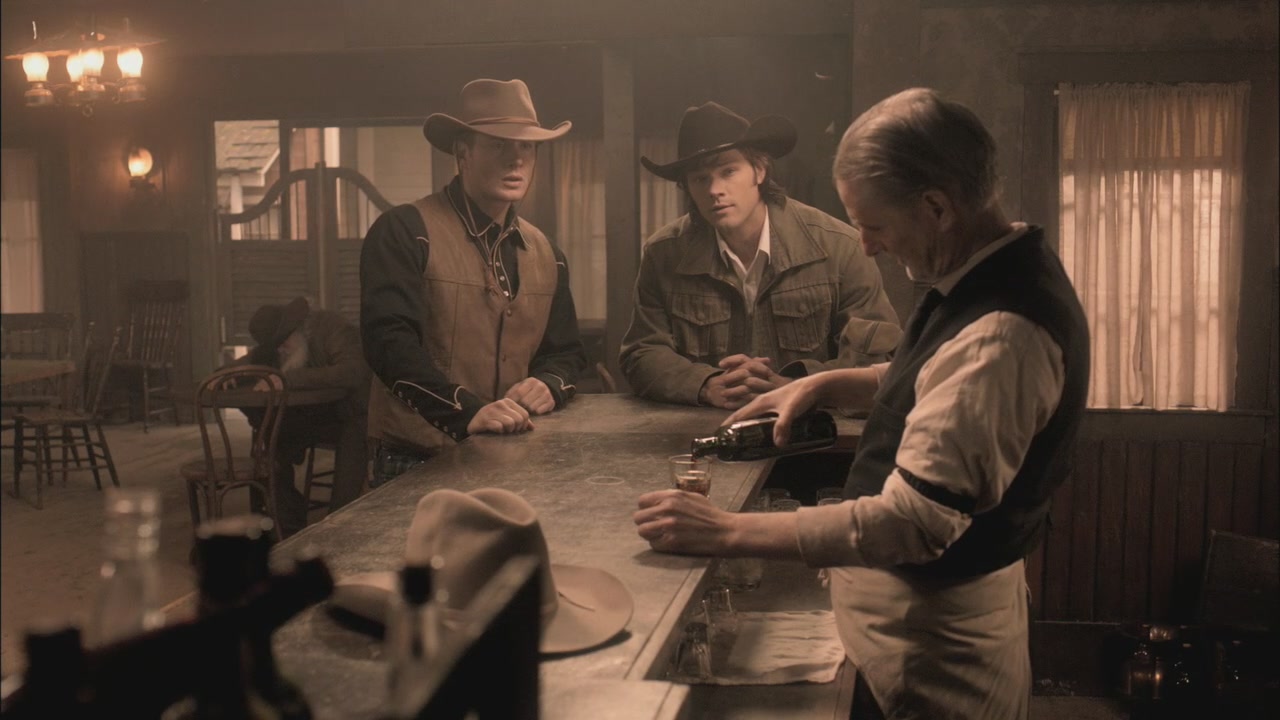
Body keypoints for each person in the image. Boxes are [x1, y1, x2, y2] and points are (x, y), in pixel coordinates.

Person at [633, 88, 1090, 719]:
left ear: (936, 207)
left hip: (933, 656)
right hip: (907, 633)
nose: (868, 246)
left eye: (874, 226)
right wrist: (825, 383)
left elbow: (913, 522)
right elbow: (941, 377)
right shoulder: (989, 272)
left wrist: (728, 531)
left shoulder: (1000, 335)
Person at [360, 78, 587, 487]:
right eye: (499, 145)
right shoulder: (405, 230)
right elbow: (388, 343)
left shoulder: (548, 253)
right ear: (463, 153)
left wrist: (549, 384)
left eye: (526, 147)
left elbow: (566, 352)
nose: (516, 160)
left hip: (515, 457)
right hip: (416, 460)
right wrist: (465, 411)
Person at [619, 101, 901, 409]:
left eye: (728, 171)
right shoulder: (663, 253)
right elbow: (643, 352)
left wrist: (796, 387)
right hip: (702, 429)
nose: (714, 189)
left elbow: (878, 357)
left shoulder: (840, 246)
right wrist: (705, 385)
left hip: (809, 429)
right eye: (700, 178)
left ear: (760, 171)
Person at [239, 296, 371, 537]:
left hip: (357, 414)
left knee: (353, 444)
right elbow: (249, 361)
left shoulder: (334, 329)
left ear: (298, 328)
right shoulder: (286, 343)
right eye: (275, 346)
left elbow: (352, 372)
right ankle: (288, 524)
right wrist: (224, 375)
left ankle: (338, 526)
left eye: (283, 343)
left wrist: (288, 379)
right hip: (320, 414)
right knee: (272, 436)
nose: (280, 351)